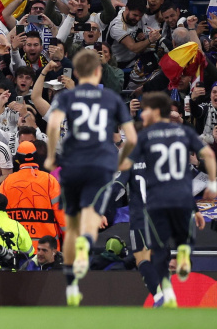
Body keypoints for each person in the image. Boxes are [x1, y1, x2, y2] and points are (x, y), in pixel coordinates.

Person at [44, 49, 137, 306]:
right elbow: (131, 136)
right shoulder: (111, 98)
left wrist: (52, 155)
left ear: (75, 73)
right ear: (98, 72)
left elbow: (53, 126)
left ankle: (73, 283)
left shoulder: (68, 97)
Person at [122, 92, 217, 307]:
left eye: (146, 110)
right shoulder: (183, 132)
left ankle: (161, 293)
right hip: (180, 199)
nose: (143, 114)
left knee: (151, 254)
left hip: (155, 205)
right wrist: (211, 186)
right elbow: (206, 157)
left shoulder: (145, 139)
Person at [0, 141, 65, 248]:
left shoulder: (7, 182)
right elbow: (62, 214)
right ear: (36, 157)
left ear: (18, 159)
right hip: (46, 250)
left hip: (17, 248)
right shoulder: (49, 180)